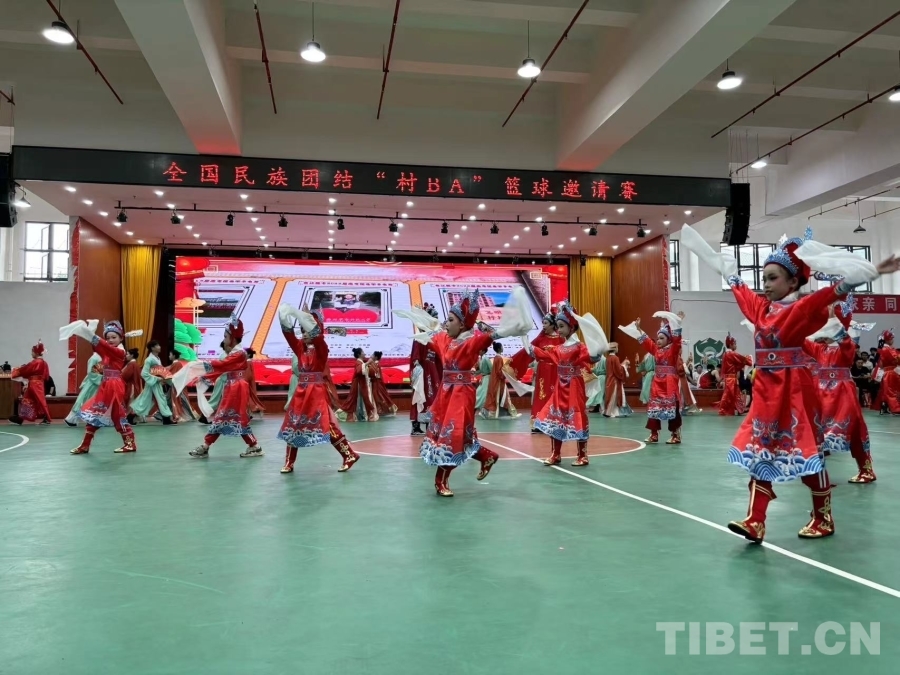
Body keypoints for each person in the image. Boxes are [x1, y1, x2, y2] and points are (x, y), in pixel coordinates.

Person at [680, 224, 899, 542]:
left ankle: (823, 517)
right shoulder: (761, 310)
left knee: (806, 454)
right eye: (764, 278)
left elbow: (830, 293)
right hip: (766, 394)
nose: (766, 284)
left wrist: (872, 271)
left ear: (793, 281)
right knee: (760, 453)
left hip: (796, 391)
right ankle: (755, 521)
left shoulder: (800, 309)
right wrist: (723, 267)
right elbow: (739, 287)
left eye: (773, 278)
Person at [398, 288, 530, 497]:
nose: (446, 323)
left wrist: (510, 329)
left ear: (462, 324)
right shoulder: (446, 340)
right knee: (456, 435)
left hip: (461, 395)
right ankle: (486, 456)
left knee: (452, 435)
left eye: (450, 320)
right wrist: (421, 319)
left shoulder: (471, 341)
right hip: (445, 394)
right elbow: (433, 333)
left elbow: (490, 337)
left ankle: (440, 480)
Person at [276, 305, 360, 474]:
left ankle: (349, 454)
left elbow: (318, 338)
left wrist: (307, 319)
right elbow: (289, 336)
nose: (304, 333)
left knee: (327, 425)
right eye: (302, 330)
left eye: (307, 330)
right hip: (301, 392)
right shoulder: (300, 348)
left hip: (316, 392)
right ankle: (289, 462)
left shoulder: (322, 349)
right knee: (293, 424)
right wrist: (284, 318)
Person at [804, 302, 877, 484]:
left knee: (854, 429)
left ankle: (866, 470)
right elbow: (800, 341)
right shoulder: (820, 348)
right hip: (821, 395)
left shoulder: (847, 345)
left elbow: (844, 341)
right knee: (815, 432)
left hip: (842, 394)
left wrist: (833, 320)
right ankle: (818, 476)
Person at [174, 316, 264, 459]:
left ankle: (206, 446)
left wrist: (199, 366)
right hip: (233, 387)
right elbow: (222, 370)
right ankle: (253, 446)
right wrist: (204, 377)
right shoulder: (235, 354)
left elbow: (221, 365)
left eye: (226, 336)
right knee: (230, 417)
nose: (224, 339)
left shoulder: (239, 354)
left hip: (236, 388)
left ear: (233, 338)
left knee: (224, 417)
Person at [529, 301, 606, 466]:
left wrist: (596, 353)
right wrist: (529, 347)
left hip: (574, 386)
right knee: (556, 417)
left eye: (562, 326)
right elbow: (545, 356)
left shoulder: (579, 347)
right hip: (560, 386)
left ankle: (583, 455)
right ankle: (555, 454)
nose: (559, 330)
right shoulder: (559, 348)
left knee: (578, 415)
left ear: (572, 327)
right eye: (558, 326)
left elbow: (590, 357)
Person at [62, 319, 141, 454]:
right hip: (106, 385)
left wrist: (90, 335)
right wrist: (90, 336)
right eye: (108, 338)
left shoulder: (120, 352)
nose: (110, 340)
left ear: (121, 338)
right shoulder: (109, 352)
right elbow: (99, 348)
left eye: (114, 337)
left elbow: (104, 346)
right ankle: (85, 445)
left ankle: (130, 443)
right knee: (96, 413)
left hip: (114, 385)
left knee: (116, 414)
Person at [620, 314, 683, 444]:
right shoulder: (656, 350)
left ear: (669, 340)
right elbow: (647, 342)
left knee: (673, 409)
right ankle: (654, 434)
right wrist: (639, 329)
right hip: (658, 383)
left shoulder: (673, 350)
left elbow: (677, 341)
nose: (658, 341)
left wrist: (675, 325)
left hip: (669, 384)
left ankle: (675, 435)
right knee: (654, 408)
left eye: (662, 338)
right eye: (658, 338)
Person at [508, 310, 563, 431]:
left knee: (555, 396)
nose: (543, 325)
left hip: (556, 372)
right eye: (542, 323)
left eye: (546, 323)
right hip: (543, 372)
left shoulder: (561, 339)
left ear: (553, 325)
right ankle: (538, 422)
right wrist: (511, 361)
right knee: (541, 395)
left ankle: (554, 422)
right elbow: (527, 351)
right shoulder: (540, 339)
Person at [128, 341, 175, 425]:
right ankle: (166, 418)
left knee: (150, 400)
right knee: (157, 399)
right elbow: (144, 373)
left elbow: (160, 371)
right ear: (152, 348)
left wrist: (163, 378)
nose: (159, 347)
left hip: (155, 383)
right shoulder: (149, 360)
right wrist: (157, 378)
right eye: (157, 345)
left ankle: (131, 416)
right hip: (152, 383)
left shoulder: (157, 358)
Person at [8, 340, 52, 425]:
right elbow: (46, 375)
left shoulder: (36, 362)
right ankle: (21, 418)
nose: (31, 353)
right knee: (28, 399)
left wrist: (15, 371)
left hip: (35, 384)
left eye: (32, 352)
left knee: (39, 400)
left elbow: (26, 370)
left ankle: (46, 418)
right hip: (37, 383)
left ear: (36, 353)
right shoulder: (44, 363)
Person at [480, 342, 520, 419]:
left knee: (494, 397)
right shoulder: (499, 358)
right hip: (498, 381)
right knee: (505, 396)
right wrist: (504, 376)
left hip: (495, 380)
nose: (502, 348)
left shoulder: (496, 358)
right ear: (499, 348)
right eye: (501, 347)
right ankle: (512, 413)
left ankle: (488, 413)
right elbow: (499, 371)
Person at [338, 347, 379, 422]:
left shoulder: (362, 363)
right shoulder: (358, 362)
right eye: (363, 352)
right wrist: (367, 363)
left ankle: (363, 414)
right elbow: (359, 371)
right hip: (359, 385)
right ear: (359, 354)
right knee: (357, 400)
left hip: (363, 384)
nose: (364, 353)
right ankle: (360, 415)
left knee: (363, 400)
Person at [718, 334, 752, 416]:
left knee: (737, 394)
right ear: (730, 345)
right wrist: (749, 357)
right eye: (735, 344)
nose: (736, 346)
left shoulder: (726, 354)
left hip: (731, 378)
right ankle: (722, 409)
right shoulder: (731, 354)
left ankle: (740, 409)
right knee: (727, 395)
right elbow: (741, 359)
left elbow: (736, 364)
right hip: (730, 378)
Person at [65, 352, 103, 427]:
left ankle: (90, 419)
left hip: (97, 382)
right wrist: (101, 378)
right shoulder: (94, 358)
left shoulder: (101, 357)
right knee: (84, 400)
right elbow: (91, 372)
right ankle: (72, 419)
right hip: (92, 383)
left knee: (91, 401)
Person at [602, 343, 631, 417]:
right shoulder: (615, 358)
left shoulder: (608, 358)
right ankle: (610, 412)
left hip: (609, 378)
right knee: (614, 396)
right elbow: (619, 370)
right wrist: (624, 365)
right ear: (615, 349)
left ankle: (608, 411)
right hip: (614, 380)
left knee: (610, 396)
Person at [876, 329, 900, 414]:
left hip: (890, 371)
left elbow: (881, 364)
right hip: (891, 372)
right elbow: (896, 358)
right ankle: (895, 408)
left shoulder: (886, 349)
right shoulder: (887, 349)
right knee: (892, 391)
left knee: (888, 390)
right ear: (888, 339)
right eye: (892, 338)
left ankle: (886, 407)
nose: (893, 340)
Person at [368, 351, 397, 416]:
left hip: (376, 383)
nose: (371, 355)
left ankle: (382, 410)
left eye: (372, 355)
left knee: (377, 396)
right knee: (378, 396)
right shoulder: (374, 363)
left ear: (376, 357)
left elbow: (374, 374)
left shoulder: (376, 363)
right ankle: (380, 410)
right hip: (375, 382)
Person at [244, 348, 266, 417]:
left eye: (244, 353)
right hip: (248, 382)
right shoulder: (249, 362)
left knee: (248, 397)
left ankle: (254, 409)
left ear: (248, 354)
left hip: (246, 383)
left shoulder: (247, 362)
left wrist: (244, 381)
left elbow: (248, 375)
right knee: (251, 396)